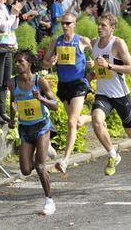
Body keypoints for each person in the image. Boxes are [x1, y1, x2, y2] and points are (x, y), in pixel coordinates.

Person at [90, 12, 131, 185]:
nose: (99, 27)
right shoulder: (94, 43)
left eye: (103, 25)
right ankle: (113, 154)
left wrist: (110, 65)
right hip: (103, 94)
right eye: (99, 24)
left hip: (120, 95)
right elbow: (97, 70)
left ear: (112, 28)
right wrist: (91, 72)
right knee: (96, 120)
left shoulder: (118, 44)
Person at [8, 49, 58, 215]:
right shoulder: (12, 83)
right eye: (16, 61)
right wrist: (12, 117)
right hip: (25, 129)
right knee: (26, 170)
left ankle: (49, 200)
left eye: (21, 61)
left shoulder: (40, 81)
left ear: (29, 63)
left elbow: (55, 104)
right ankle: (46, 147)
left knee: (40, 165)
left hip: (42, 126)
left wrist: (41, 99)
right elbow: (13, 101)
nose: (17, 64)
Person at [43, 12, 92, 173]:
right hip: (64, 86)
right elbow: (44, 63)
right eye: (63, 23)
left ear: (74, 24)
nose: (65, 26)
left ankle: (65, 160)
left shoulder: (82, 40)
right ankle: (93, 118)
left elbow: (97, 55)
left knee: (71, 122)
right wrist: (50, 62)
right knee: (76, 122)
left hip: (79, 84)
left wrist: (92, 63)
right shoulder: (56, 42)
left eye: (68, 23)